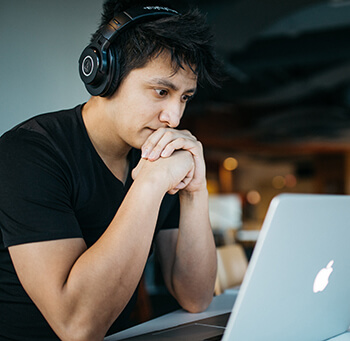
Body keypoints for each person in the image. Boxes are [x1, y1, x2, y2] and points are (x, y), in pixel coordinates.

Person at [0, 0, 223, 340]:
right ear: (105, 74)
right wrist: (149, 185)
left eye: (184, 98)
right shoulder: (28, 154)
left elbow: (196, 297)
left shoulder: (155, 155)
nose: (174, 118)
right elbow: (77, 326)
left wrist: (195, 190)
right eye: (161, 91)